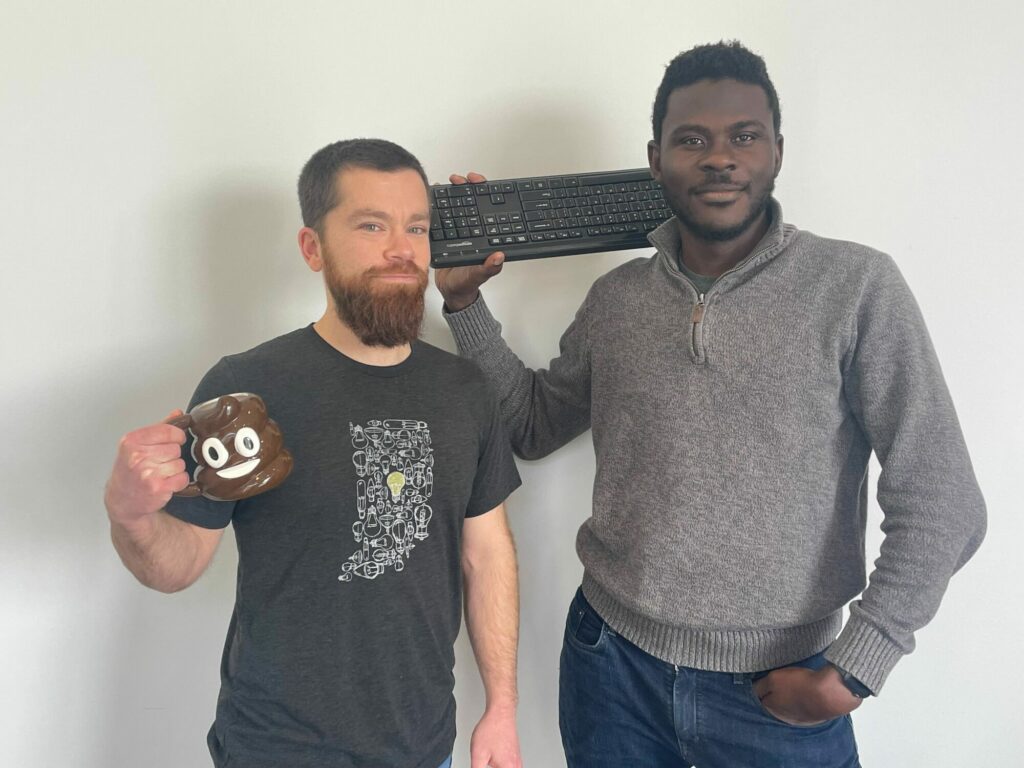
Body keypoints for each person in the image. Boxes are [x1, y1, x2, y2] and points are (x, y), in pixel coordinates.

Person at [435, 42, 986, 767]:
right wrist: (464, 304)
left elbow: (945, 501)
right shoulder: (617, 299)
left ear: (778, 151)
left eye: (743, 136)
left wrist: (856, 668)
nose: (719, 158)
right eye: (692, 140)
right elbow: (533, 427)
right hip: (611, 671)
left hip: (782, 691)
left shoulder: (855, 288)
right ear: (656, 159)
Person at [105, 139, 523, 768]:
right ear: (312, 247)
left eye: (416, 227)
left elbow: (486, 554)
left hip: (424, 747)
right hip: (277, 749)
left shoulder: (464, 390)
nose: (401, 249)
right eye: (371, 225)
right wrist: (129, 512)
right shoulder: (246, 389)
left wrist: (503, 708)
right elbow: (177, 566)